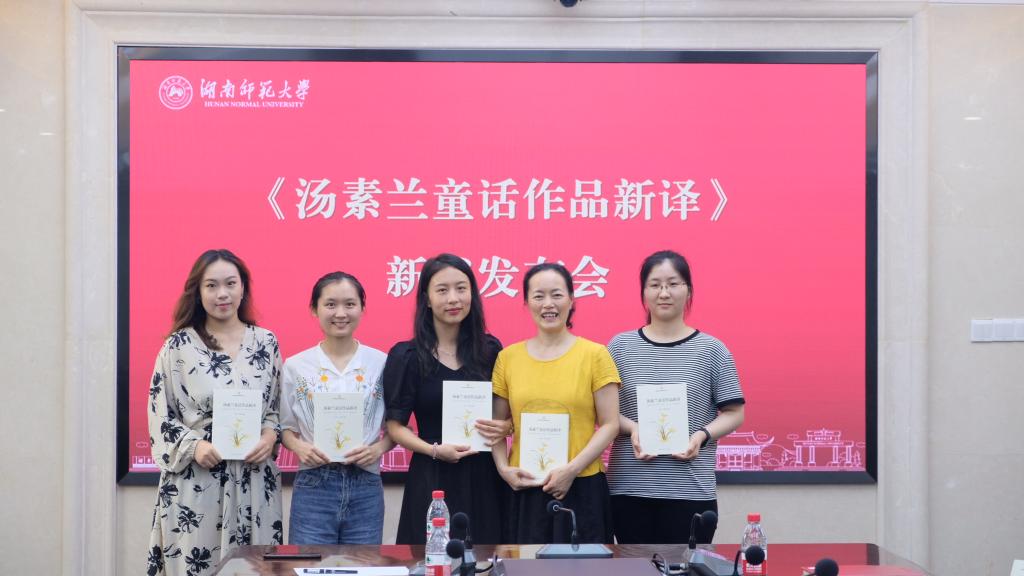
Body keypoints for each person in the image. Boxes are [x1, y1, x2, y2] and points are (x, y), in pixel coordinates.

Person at [146, 249, 283, 576]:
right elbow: (159, 414)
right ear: (198, 291)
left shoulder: (266, 343)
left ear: (243, 287)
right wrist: (194, 446)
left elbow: (275, 410)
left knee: (255, 568)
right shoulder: (178, 346)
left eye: (230, 283)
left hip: (254, 480)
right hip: (197, 482)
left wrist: (269, 435)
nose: (223, 293)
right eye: (211, 285)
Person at [606, 250, 745, 544]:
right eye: (655, 285)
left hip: (691, 490)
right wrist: (633, 428)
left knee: (687, 564)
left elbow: (735, 412)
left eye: (673, 284)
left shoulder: (712, 350)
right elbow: (604, 412)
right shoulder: (619, 347)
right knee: (634, 565)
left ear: (689, 290)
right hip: (629, 488)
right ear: (644, 293)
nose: (664, 293)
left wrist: (702, 435)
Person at [383, 253, 509, 545]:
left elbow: (503, 414)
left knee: (485, 557)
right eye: (442, 290)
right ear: (426, 299)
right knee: (431, 557)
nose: (453, 298)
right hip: (432, 473)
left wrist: (506, 426)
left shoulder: (490, 351)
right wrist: (435, 451)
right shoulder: (407, 356)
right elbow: (395, 427)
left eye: (461, 288)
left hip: (484, 474)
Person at [492, 262, 620, 544]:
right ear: (526, 303)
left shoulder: (595, 355)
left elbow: (610, 424)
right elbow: (496, 427)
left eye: (557, 295)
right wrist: (503, 468)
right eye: (538, 296)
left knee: (584, 564)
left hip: (582, 484)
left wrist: (570, 470)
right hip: (525, 484)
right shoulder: (508, 358)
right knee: (525, 564)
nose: (548, 304)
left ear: (572, 300)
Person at [279, 271, 392, 544]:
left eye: (350, 304)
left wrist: (378, 449)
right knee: (308, 564)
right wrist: (299, 448)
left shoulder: (382, 363)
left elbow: (396, 428)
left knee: (364, 564)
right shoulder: (296, 366)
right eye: (330, 304)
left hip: (365, 483)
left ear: (362, 308)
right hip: (314, 483)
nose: (340, 313)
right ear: (314, 309)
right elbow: (284, 427)